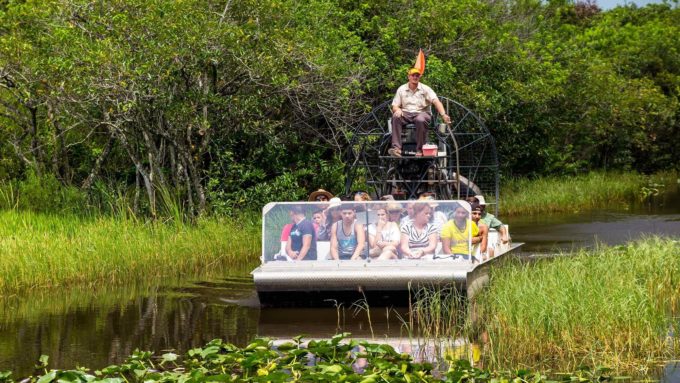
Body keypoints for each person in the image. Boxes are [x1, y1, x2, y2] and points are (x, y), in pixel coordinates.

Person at [389, 67, 452, 157]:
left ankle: (420, 150)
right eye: (413, 75)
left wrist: (443, 114)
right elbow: (395, 105)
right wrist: (398, 109)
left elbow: (436, 101)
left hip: (422, 113)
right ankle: (396, 149)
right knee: (396, 116)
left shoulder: (425, 89)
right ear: (409, 77)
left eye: (417, 75)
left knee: (420, 119)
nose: (415, 77)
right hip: (406, 113)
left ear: (419, 77)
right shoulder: (401, 89)